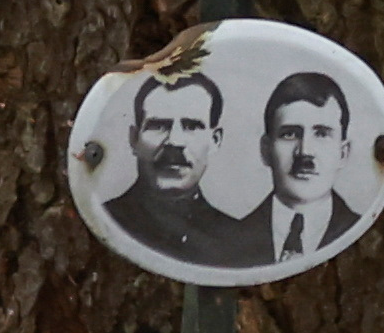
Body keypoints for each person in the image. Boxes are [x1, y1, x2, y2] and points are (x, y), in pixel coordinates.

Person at [110, 70, 269, 268]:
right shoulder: (108, 222)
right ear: (134, 139)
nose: (175, 141)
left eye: (192, 127)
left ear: (215, 140)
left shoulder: (235, 242)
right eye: (158, 126)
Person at [257, 71, 363, 264]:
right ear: (266, 150)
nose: (305, 151)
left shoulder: (366, 235)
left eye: (322, 134)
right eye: (289, 134)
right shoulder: (225, 239)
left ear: (343, 153)